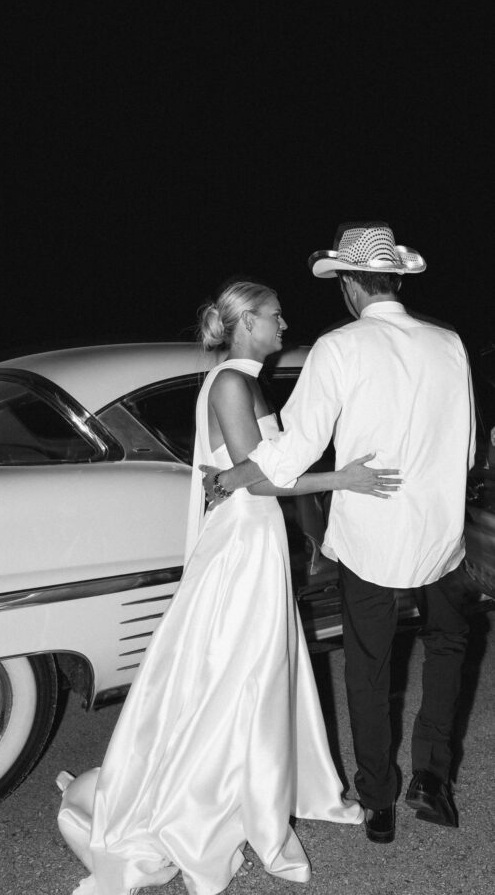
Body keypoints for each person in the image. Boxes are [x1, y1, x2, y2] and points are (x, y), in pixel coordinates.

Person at [56, 279, 402, 895]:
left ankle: (240, 781)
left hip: (252, 533)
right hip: (245, 537)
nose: (284, 324)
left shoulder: (238, 380)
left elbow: (249, 469)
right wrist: (342, 478)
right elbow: (264, 480)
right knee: (241, 669)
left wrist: (245, 472)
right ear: (245, 323)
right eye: (273, 315)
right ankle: (216, 794)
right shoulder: (235, 383)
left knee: (241, 667)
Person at [202, 225, 476, 846]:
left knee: (369, 668)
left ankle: (378, 800)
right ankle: (434, 779)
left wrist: (238, 472)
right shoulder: (450, 343)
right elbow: (461, 452)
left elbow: (296, 446)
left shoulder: (339, 346)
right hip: (440, 532)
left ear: (350, 285)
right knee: (449, 647)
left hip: (370, 536)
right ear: (397, 280)